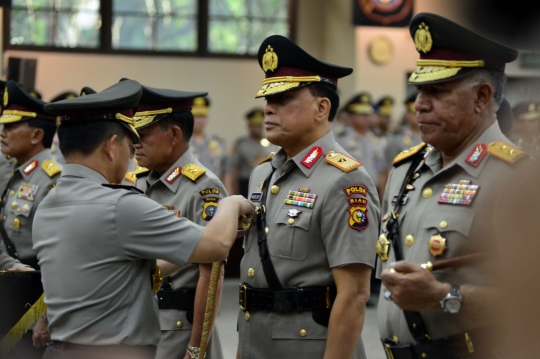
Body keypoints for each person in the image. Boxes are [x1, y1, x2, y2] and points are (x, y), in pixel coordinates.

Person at [33, 80, 254, 359]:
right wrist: (233, 202)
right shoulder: (119, 205)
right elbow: (216, 244)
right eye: (129, 141)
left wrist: (196, 348)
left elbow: (117, 268)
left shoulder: (48, 204)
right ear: (111, 146)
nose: (133, 150)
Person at [377, 13, 525, 359]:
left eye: (437, 91)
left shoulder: (517, 180)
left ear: (482, 97)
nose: (419, 104)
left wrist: (444, 295)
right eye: (419, 90)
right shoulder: (405, 169)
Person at [238, 35, 380, 359]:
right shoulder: (264, 173)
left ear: (321, 107)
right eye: (267, 98)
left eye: (283, 98)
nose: (269, 107)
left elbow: (355, 295)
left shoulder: (344, 179)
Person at [131, 83, 225, 359]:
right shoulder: (137, 182)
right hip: (136, 323)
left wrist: (195, 348)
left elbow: (211, 277)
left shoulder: (204, 189)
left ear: (174, 135)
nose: (135, 144)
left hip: (177, 328)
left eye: (143, 135)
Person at [0, 80, 61, 270]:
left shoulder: (53, 180)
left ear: (36, 136)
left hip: (35, 285)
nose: (2, 133)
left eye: (10, 127)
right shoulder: (20, 173)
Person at [226, 108, 276, 197]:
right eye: (254, 126)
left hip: (267, 183)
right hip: (246, 184)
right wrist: (232, 193)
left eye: (259, 125)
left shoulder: (272, 143)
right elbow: (233, 170)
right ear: (249, 125)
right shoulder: (241, 144)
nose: (257, 129)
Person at [336, 92, 379, 184]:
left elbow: (380, 169)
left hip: (372, 188)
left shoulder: (374, 138)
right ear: (351, 116)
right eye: (362, 114)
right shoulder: (342, 138)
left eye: (368, 114)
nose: (367, 118)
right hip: (349, 188)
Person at [190, 97, 227, 180]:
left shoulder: (218, 143)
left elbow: (226, 172)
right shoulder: (182, 143)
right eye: (195, 116)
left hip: (215, 190)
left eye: (202, 116)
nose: (198, 120)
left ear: (207, 118)